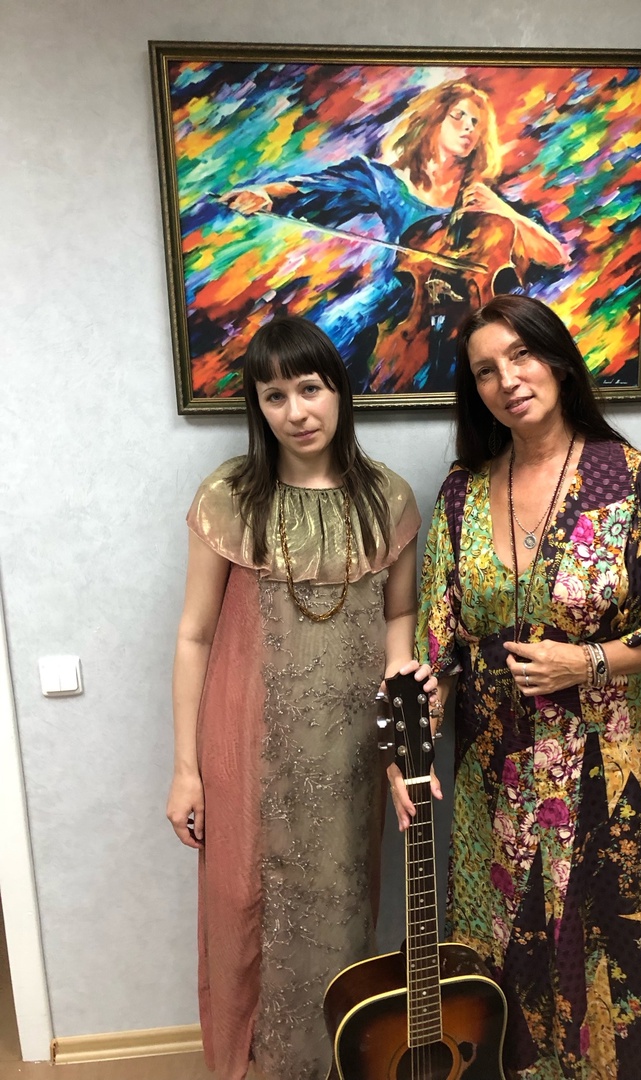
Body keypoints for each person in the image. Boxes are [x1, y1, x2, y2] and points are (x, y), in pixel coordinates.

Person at [396, 295, 641, 1079]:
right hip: (492, 777)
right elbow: (437, 649)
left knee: (606, 957)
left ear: (559, 360)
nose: (508, 379)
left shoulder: (636, 481)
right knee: (502, 954)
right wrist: (413, 740)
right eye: (485, 371)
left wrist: (591, 662)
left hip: (606, 771)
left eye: (521, 355)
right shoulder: (462, 493)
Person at [166, 315, 429, 1080]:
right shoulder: (230, 498)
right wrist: (186, 770)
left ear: (339, 390)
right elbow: (194, 636)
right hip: (247, 750)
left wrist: (401, 724)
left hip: (351, 753)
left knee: (343, 909)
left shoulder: (388, 499)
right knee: (244, 908)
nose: (296, 411)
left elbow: (401, 615)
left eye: (309, 388)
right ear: (258, 407)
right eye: (274, 395)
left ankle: (335, 1061)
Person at [220, 81, 568, 392]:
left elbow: (556, 258)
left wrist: (505, 212)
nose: (469, 127)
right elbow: (315, 187)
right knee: (331, 329)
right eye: (458, 116)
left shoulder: (486, 197)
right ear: (432, 120)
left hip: (469, 310)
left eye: (477, 123)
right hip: (399, 295)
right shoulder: (387, 182)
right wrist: (266, 194)